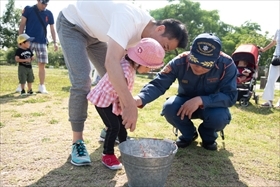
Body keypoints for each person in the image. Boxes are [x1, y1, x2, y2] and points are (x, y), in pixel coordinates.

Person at [56, 1, 188, 166]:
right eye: (164, 46)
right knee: (82, 82)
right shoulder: (129, 20)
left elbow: (119, 73)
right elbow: (111, 63)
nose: (161, 50)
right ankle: (78, 142)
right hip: (73, 25)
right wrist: (129, 105)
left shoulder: (144, 36)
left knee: (112, 82)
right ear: (160, 29)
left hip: (98, 36)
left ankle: (111, 129)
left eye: (165, 50)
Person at [134, 33, 238, 151]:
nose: (198, 67)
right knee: (169, 107)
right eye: (194, 60)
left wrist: (201, 100)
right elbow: (159, 84)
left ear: (216, 59)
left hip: (212, 105)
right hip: (184, 102)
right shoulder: (179, 61)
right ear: (190, 52)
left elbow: (230, 96)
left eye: (206, 64)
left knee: (219, 117)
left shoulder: (227, 64)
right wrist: (139, 98)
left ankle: (208, 137)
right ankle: (189, 134)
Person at [87, 38, 165, 170]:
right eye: (149, 67)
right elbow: (120, 93)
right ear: (140, 61)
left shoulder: (128, 65)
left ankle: (125, 144)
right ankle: (108, 154)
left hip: (113, 100)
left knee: (121, 125)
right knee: (113, 127)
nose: (148, 71)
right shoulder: (125, 70)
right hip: (104, 100)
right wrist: (126, 108)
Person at [18, 0, 58, 94]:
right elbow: (22, 24)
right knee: (24, 63)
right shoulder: (28, 9)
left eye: (46, 4)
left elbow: (52, 29)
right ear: (38, 1)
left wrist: (55, 42)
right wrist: (20, 40)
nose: (44, 5)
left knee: (42, 64)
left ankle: (41, 86)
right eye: (43, 3)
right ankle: (22, 85)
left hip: (42, 41)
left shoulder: (49, 13)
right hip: (28, 41)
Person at [259, 29, 280, 108]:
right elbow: (273, 42)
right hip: (276, 58)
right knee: (271, 79)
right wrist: (263, 49)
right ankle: (269, 101)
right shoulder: (278, 30)